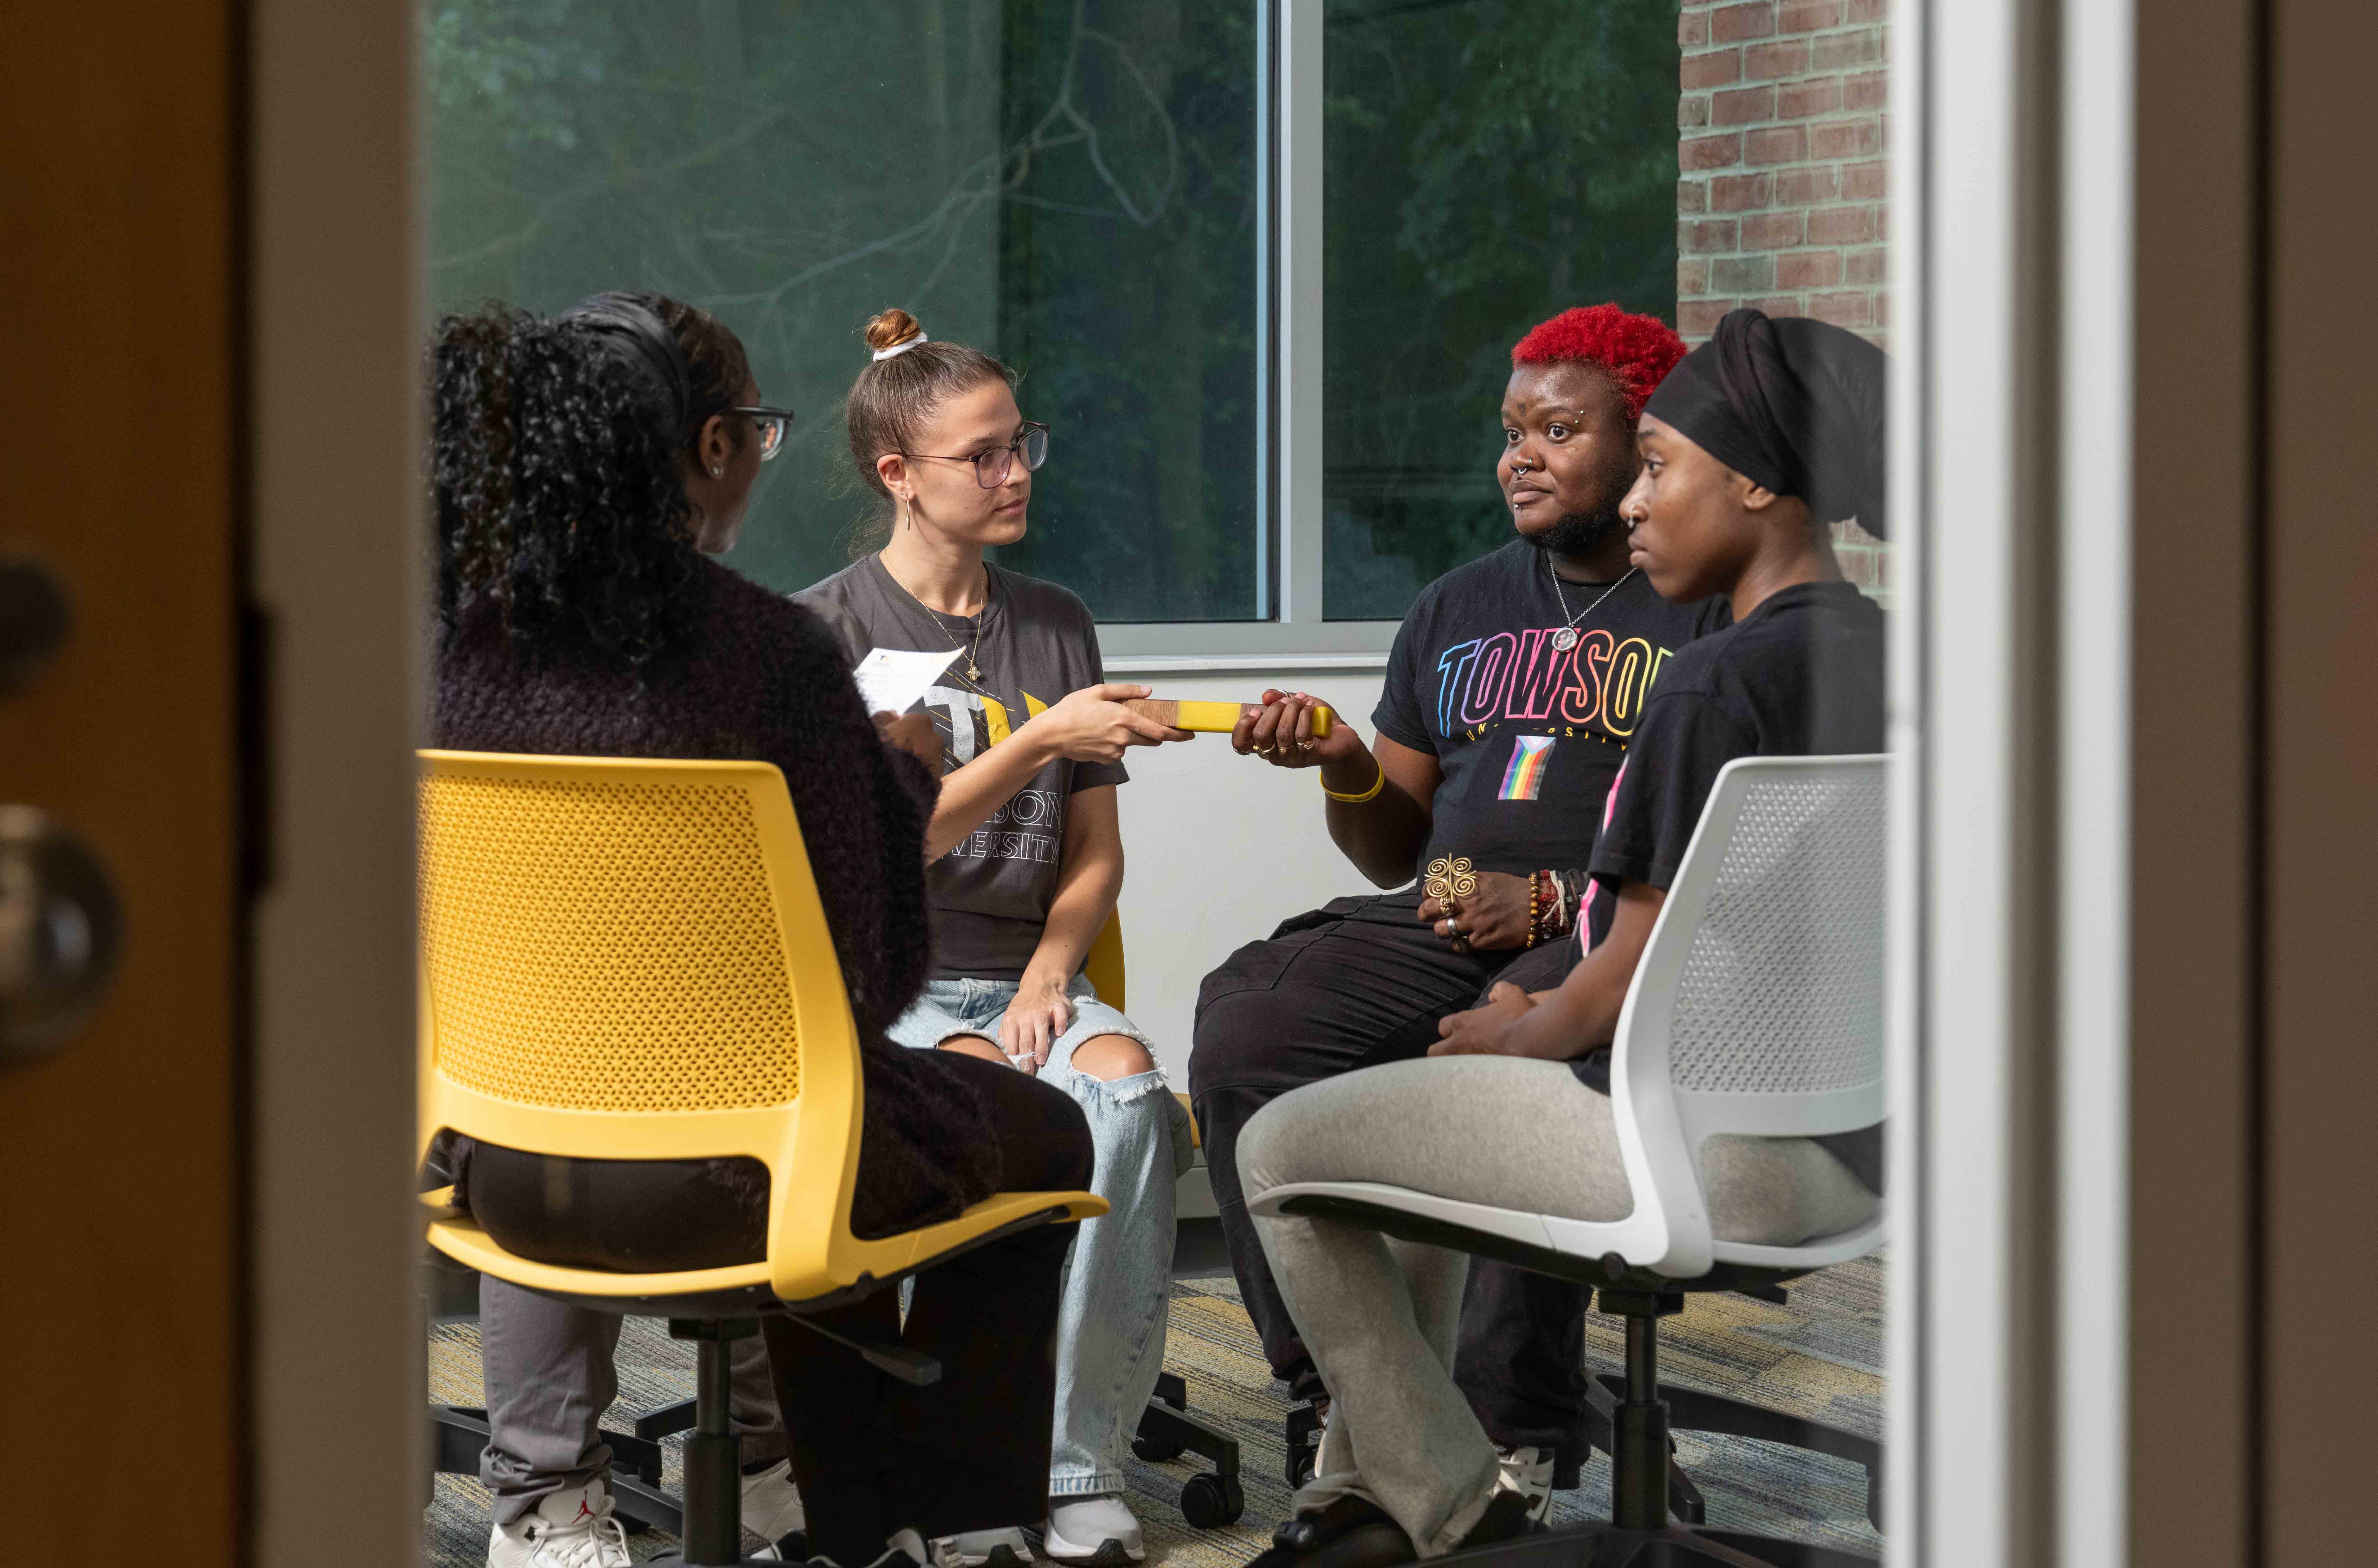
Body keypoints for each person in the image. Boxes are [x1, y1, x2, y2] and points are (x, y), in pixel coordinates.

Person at [429, 291, 1095, 1568]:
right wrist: (896, 776)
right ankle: (927, 1531)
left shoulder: (452, 647)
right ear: (716, 448)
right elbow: (875, 977)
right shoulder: (767, 656)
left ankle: (556, 1513)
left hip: (502, 1173)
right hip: (734, 1184)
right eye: (759, 431)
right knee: (1036, 1131)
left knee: (842, 1113)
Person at [1233, 308, 1891, 1567]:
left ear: (1753, 483)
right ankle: (1372, 1480)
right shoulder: (1887, 656)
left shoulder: (1707, 683)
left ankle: (1452, 1503)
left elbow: (1630, 970)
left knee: (1282, 1147)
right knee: (1410, 1103)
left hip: (1690, 1147)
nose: (1640, 506)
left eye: (1661, 467)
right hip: (1847, 1150)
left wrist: (1521, 1030)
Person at [1186, 304, 1718, 1513]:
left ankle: (1512, 1426)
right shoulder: (1456, 605)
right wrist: (1338, 762)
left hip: (1604, 934)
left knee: (1516, 1041)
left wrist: (1545, 899)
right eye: (1511, 430)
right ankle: (1348, 1394)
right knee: (1248, 1028)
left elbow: (1717, 859)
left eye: (1559, 429)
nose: (1518, 456)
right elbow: (1392, 851)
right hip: (1443, 908)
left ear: (1647, 443)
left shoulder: (1703, 606)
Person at [795, 307, 1197, 1568]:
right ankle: (958, 1457)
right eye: (984, 454)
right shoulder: (827, 632)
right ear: (896, 473)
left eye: (1023, 444)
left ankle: (1076, 1464)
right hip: (882, 992)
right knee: (993, 1112)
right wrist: (1033, 738)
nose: (1015, 472)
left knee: (1128, 1101)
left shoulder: (1055, 619)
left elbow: (1094, 855)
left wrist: (1046, 979)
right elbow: (869, 853)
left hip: (1021, 978)